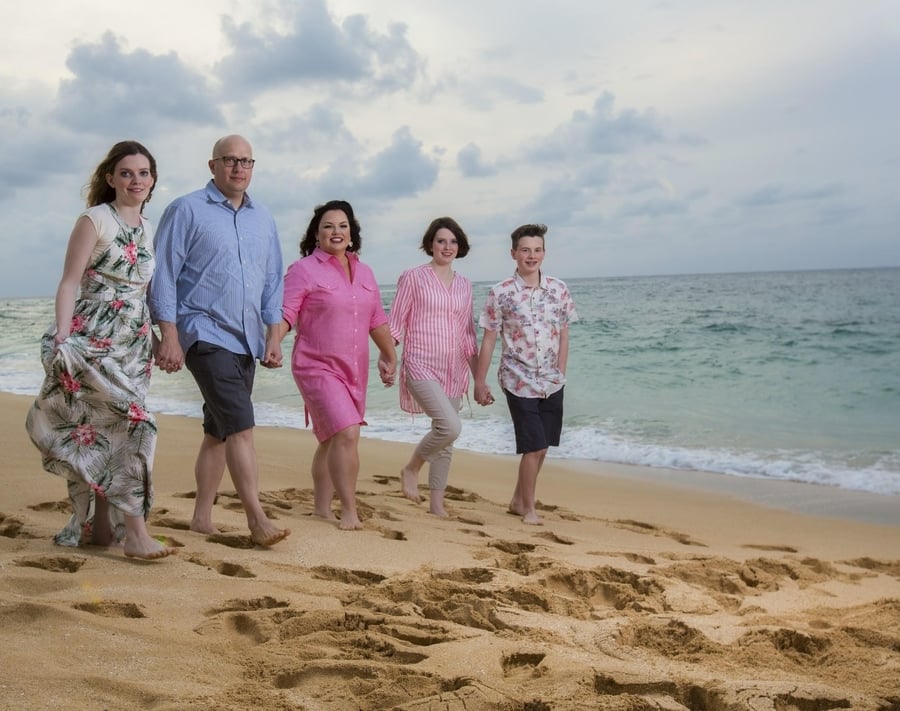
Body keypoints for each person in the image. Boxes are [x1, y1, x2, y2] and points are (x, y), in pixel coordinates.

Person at [25, 140, 175, 560]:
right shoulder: (95, 220)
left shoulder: (148, 227)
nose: (136, 180)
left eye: (144, 173)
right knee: (138, 425)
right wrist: (60, 338)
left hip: (134, 344)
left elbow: (143, 291)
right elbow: (70, 281)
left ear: (153, 180)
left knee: (109, 431)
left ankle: (102, 529)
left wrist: (160, 337)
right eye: (127, 173)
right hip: (93, 340)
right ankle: (138, 533)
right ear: (110, 178)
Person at [148, 134, 289, 547]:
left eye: (246, 161)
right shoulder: (187, 210)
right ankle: (257, 518)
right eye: (230, 160)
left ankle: (201, 517)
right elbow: (164, 275)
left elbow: (271, 281)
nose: (239, 168)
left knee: (219, 431)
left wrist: (273, 335)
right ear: (213, 165)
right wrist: (168, 335)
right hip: (202, 332)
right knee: (242, 426)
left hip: (245, 339)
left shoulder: (263, 218)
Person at [275, 200, 397, 530]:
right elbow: (287, 312)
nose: (336, 231)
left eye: (342, 225)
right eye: (328, 226)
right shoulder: (304, 270)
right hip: (315, 366)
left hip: (353, 370)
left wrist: (389, 355)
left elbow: (376, 319)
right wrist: (274, 342)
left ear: (352, 233)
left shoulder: (366, 273)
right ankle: (349, 510)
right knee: (346, 432)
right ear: (316, 235)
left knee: (331, 438)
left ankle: (320, 508)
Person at [473, 223, 578, 525]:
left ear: (544, 253)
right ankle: (529, 508)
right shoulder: (501, 293)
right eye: (525, 250)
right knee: (534, 446)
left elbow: (564, 334)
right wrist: (479, 382)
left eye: (537, 250)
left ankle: (519, 500)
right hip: (518, 379)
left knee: (543, 446)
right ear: (514, 253)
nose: (531, 256)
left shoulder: (559, 289)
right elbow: (490, 338)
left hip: (552, 381)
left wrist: (561, 371)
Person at [388, 217, 478, 516]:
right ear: (430, 244)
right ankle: (411, 468)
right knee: (449, 426)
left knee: (446, 439)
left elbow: (467, 334)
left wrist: (480, 379)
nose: (447, 247)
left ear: (459, 246)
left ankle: (437, 506)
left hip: (454, 369)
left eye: (453, 242)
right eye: (441, 241)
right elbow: (396, 324)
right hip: (420, 363)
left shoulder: (465, 285)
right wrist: (387, 357)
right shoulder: (413, 277)